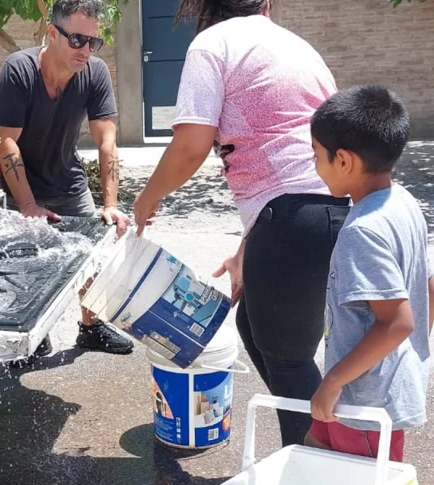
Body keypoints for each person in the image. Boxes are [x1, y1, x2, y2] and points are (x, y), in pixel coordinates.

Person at [133, 0, 351, 446]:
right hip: (326, 211)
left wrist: (147, 198)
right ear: (265, 4)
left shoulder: (213, 44)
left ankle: (319, 462)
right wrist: (248, 248)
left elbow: (191, 145)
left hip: (291, 218)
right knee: (255, 326)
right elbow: (290, 156)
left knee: (288, 358)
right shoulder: (294, 45)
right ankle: (314, 451)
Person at [0, 0, 133, 356]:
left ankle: (91, 327)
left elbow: (107, 142)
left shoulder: (95, 73)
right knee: (24, 264)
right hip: (19, 186)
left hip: (68, 181)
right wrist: (27, 205)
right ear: (53, 34)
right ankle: (30, 336)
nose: (86, 50)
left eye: (93, 42)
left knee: (92, 255)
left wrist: (111, 204)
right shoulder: (19, 70)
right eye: (77, 40)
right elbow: (6, 142)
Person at [304, 85, 434, 462]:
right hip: (359, 387)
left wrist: (333, 380)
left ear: (344, 160)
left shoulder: (362, 231)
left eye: (316, 155)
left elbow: (397, 323)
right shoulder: (402, 200)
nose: (315, 165)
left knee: (363, 473)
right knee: (314, 450)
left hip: (365, 403)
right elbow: (427, 285)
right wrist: (408, 356)